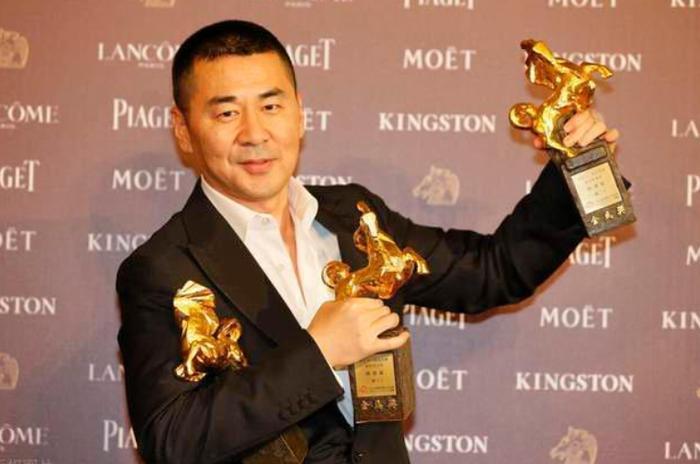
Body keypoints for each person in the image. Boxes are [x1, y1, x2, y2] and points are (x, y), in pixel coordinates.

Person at [116, 20, 622, 464]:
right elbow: (172, 439)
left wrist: (576, 169)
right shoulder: (162, 268)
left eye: (271, 105)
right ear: (183, 129)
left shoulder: (355, 217)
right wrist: (319, 351)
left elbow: (493, 272)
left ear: (300, 113)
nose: (255, 133)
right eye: (226, 114)